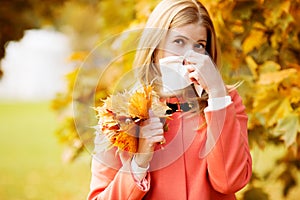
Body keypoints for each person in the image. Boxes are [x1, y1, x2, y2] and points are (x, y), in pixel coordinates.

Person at [87, 0, 252, 199]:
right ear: (155, 47)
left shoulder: (226, 101)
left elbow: (230, 182)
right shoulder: (120, 114)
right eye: (179, 42)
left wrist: (216, 94)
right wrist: (139, 163)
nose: (188, 56)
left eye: (199, 46)